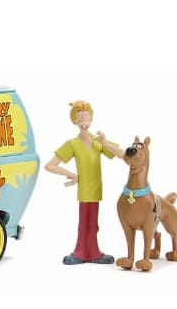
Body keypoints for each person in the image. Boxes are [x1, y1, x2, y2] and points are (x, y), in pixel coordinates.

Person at [45, 101, 124, 265]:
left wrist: (105, 143)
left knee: (93, 224)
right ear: (74, 120)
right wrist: (72, 175)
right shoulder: (72, 144)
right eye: (79, 118)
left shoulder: (98, 141)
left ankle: (93, 252)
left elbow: (123, 155)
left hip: (96, 190)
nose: (83, 122)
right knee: (84, 223)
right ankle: (81, 252)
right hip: (84, 191)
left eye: (86, 118)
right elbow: (50, 165)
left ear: (91, 119)